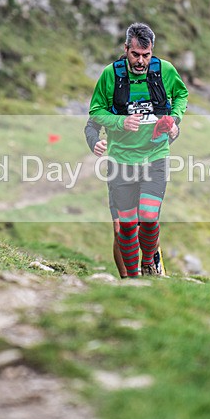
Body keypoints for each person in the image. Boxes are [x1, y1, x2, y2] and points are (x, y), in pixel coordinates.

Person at [89, 22, 188, 277]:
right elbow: (96, 112)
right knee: (126, 226)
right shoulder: (110, 75)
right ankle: (133, 279)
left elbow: (181, 95)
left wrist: (174, 120)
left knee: (148, 215)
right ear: (126, 49)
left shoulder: (164, 70)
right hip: (121, 160)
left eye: (146, 55)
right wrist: (120, 122)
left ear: (152, 51)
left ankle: (148, 262)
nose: (141, 61)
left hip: (155, 156)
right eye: (136, 55)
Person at [84, 118, 175, 278]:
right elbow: (92, 125)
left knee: (146, 222)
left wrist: (164, 138)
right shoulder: (113, 94)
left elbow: (171, 125)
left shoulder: (154, 94)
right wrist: (95, 142)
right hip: (120, 170)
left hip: (150, 168)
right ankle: (129, 280)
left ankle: (153, 263)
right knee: (120, 228)